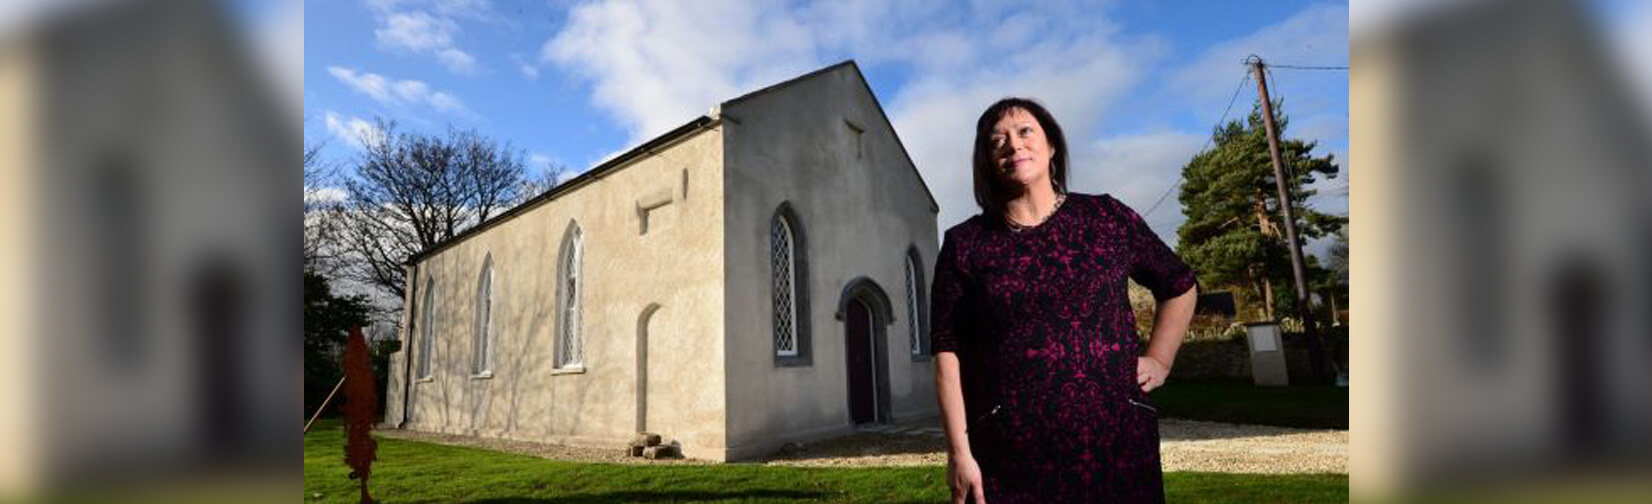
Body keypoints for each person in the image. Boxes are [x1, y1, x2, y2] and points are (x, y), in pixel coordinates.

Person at [931, 97, 1199, 504]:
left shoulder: (1108, 218)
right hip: (1011, 451)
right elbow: (946, 350)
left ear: (1051, 144)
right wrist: (959, 453)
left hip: (1118, 444)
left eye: (1025, 132)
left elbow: (1179, 284)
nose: (1013, 145)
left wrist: (1161, 358)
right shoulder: (965, 244)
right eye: (997, 140)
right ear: (986, 160)